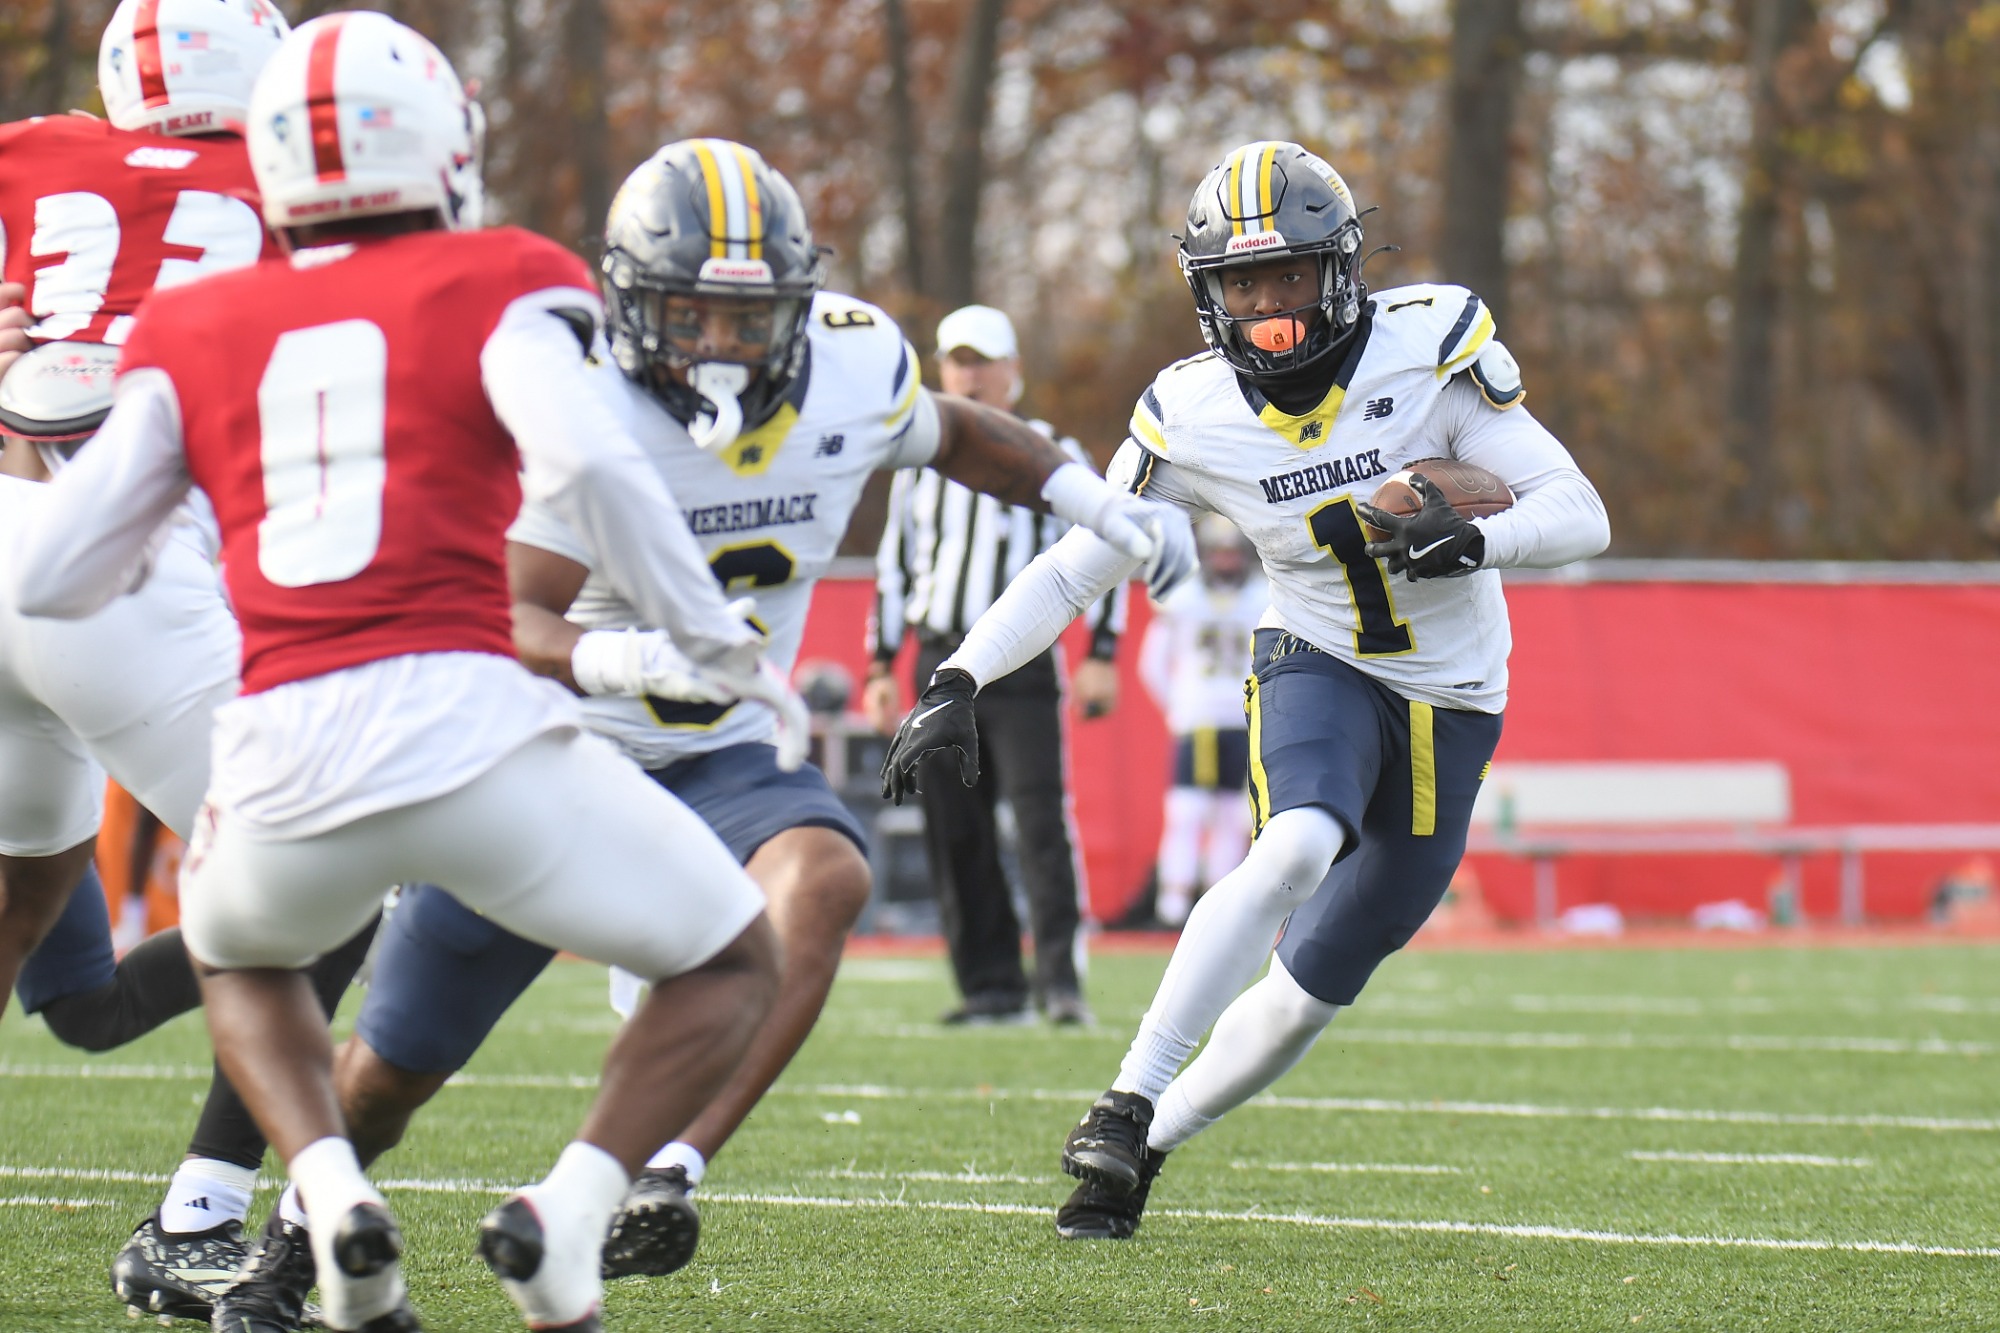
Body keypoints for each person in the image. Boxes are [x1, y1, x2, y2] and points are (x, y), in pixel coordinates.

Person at [248, 139, 1198, 1327]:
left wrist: (1086, 498)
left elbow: (955, 434)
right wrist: (621, 655)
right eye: (691, 312)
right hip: (551, 748)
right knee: (393, 1067)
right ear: (634, 304)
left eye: (751, 315)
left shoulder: (850, 367)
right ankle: (297, 1229)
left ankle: (645, 1176)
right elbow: (508, 606)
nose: (723, 342)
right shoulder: (579, 402)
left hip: (714, 751)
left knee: (825, 872)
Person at [10, 16, 805, 1331]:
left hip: (265, 742)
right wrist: (702, 642)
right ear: (444, 144)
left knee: (239, 945)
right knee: (733, 959)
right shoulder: (500, 273)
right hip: (464, 724)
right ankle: (564, 1210)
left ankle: (327, 1191)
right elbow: (596, 471)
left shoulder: (192, 319)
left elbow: (50, 578)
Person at [880, 140, 1610, 1240]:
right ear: (1207, 291)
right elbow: (1084, 559)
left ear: (1338, 270)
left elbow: (1581, 510)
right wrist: (959, 673)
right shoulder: (1192, 410)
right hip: (1314, 659)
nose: (1267, 308)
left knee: (1311, 987)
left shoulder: (1425, 356)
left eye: (1286, 278)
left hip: (1454, 698)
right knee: (1296, 845)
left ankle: (1146, 1151)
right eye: (1242, 284)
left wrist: (1477, 537)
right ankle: (1122, 1101)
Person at [0, 3, 392, 1321]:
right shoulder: (297, 188)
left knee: (24, 890)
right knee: (327, 882)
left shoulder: (29, 154)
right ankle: (199, 1218)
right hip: (120, 563)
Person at [865, 304, 1125, 1026]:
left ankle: (1060, 981)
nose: (968, 375)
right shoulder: (917, 459)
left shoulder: (1051, 448)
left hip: (1021, 666)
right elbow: (895, 570)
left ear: (1014, 372)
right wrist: (882, 662)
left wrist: (1104, 650)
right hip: (939, 652)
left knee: (1041, 820)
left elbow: (1109, 544)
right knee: (956, 825)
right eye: (956, 360)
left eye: (982, 361)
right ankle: (989, 986)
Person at [1137, 515, 1265, 927]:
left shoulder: (1263, 596)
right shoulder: (1184, 597)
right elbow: (1151, 664)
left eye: (1232, 552)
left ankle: (1217, 900)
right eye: (1219, 552)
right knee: (1188, 811)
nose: (1226, 562)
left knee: (1234, 814)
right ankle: (1172, 903)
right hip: (1200, 720)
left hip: (1243, 722)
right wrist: (1179, 707)